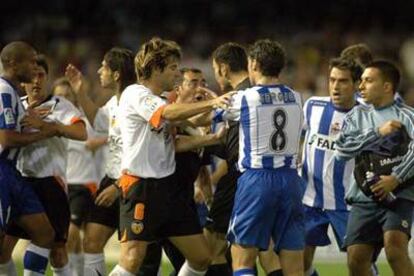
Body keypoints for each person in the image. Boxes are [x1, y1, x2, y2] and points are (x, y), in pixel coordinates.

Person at [108, 37, 232, 276]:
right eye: (173, 68)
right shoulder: (135, 94)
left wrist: (214, 133)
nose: (177, 74)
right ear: (156, 68)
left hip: (169, 192)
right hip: (140, 188)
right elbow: (168, 113)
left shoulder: (160, 99)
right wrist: (213, 103)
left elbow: (183, 131)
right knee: (133, 259)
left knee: (201, 258)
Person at [218, 39, 305, 276]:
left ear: (254, 63)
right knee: (294, 263)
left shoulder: (245, 97)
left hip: (257, 181)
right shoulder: (296, 97)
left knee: (242, 257)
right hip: (291, 181)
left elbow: (208, 117)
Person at [0, 55, 87, 276]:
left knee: (57, 252)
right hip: (19, 181)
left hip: (51, 183)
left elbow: (81, 132)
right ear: (24, 80)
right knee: (4, 248)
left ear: (47, 78)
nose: (36, 81)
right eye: (32, 76)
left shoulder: (60, 105)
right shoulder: (15, 105)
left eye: (41, 75)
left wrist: (51, 127)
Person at [206, 42, 283, 276]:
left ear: (222, 68)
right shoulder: (262, 91)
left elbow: (234, 147)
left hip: (243, 179)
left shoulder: (243, 97)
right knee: (264, 248)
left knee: (213, 246)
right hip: (272, 177)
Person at [335, 60, 414, 276]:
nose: (360, 86)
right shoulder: (356, 116)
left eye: (368, 81)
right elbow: (341, 151)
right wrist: (377, 133)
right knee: (356, 258)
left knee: (395, 249)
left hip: (400, 194)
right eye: (360, 81)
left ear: (387, 87)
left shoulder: (408, 116)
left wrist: (396, 178)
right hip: (364, 197)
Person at [65, 47, 136, 276]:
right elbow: (99, 121)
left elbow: (142, 151)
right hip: (112, 178)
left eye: (104, 67)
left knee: (134, 257)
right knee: (91, 243)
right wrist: (80, 92)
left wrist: (119, 186)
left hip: (133, 182)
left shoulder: (135, 101)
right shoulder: (115, 103)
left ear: (116, 74)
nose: (98, 71)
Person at [0, 41, 59, 276]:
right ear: (13, 63)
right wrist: (43, 134)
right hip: (2, 171)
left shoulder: (12, 92)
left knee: (45, 234)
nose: (35, 67)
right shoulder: (3, 91)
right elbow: (6, 138)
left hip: (13, 173)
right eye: (31, 61)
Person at [300, 57, 362, 276]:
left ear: (356, 84)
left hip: (348, 205)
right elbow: (297, 139)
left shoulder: (367, 116)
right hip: (310, 200)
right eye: (332, 80)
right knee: (300, 263)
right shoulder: (312, 106)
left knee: (358, 265)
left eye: (343, 81)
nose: (335, 86)